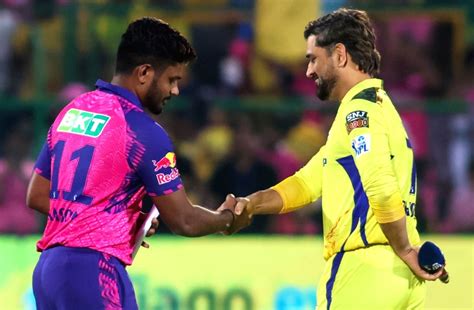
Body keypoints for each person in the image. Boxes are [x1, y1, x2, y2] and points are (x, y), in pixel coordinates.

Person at [225, 8, 446, 309]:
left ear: (340, 55)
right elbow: (307, 182)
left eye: (313, 59)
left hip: (364, 270)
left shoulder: (359, 112)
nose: (309, 72)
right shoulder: (381, 108)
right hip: (401, 277)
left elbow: (379, 184)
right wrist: (251, 203)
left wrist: (404, 248)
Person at [26, 17, 249, 310]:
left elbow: (38, 196)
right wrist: (228, 220)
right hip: (93, 272)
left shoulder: (73, 111)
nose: (175, 91)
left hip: (48, 272)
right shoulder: (143, 132)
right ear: (144, 73)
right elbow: (185, 219)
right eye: (172, 80)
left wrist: (122, 222)